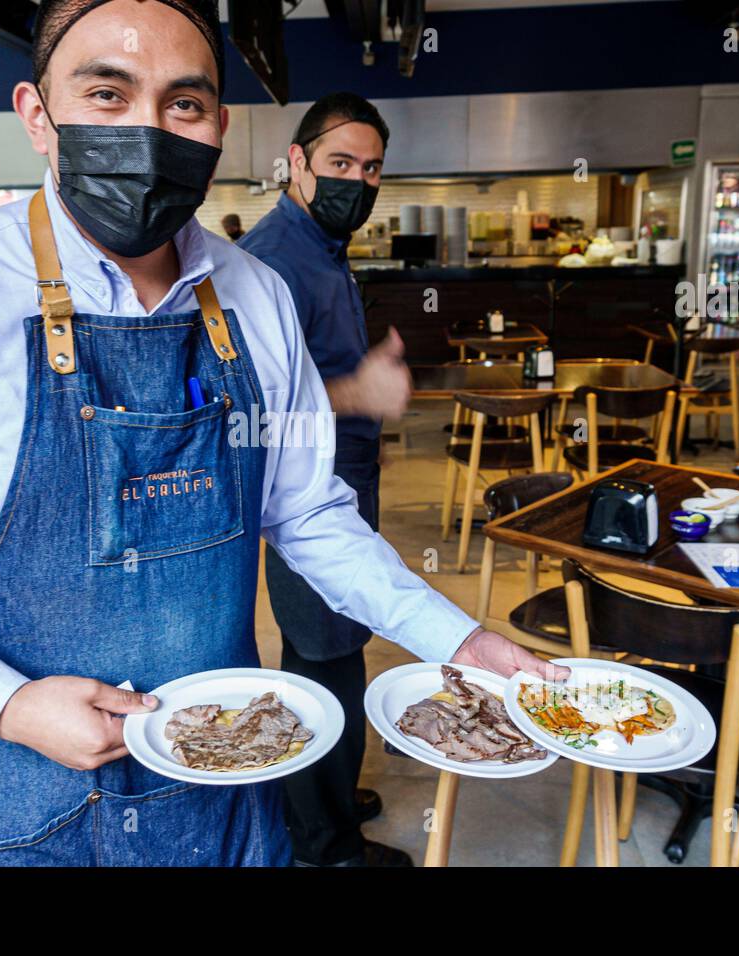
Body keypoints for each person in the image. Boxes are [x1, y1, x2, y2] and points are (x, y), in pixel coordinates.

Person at [0, 0, 560, 868]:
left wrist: (457, 637)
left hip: (236, 776)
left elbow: (307, 515)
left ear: (219, 126)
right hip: (33, 794)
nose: (148, 130)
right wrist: (2, 704)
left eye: (182, 105)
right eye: (107, 95)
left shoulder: (254, 296)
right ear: (38, 115)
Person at [239, 93, 415, 867]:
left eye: (371, 168)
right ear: (298, 162)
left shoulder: (325, 245)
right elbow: (254, 409)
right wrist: (361, 394)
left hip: (346, 482)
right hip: (310, 497)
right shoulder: (277, 258)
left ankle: (332, 794)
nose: (358, 180)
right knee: (321, 657)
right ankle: (323, 843)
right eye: (340, 164)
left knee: (339, 647)